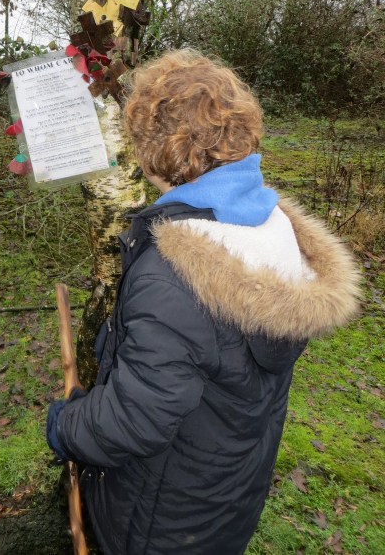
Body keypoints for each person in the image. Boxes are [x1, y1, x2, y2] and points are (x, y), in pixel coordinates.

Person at [46, 48, 361, 555]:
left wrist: (67, 426)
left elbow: (137, 418)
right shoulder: (272, 227)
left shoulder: (174, 272)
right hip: (226, 502)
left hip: (157, 522)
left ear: (157, 150)